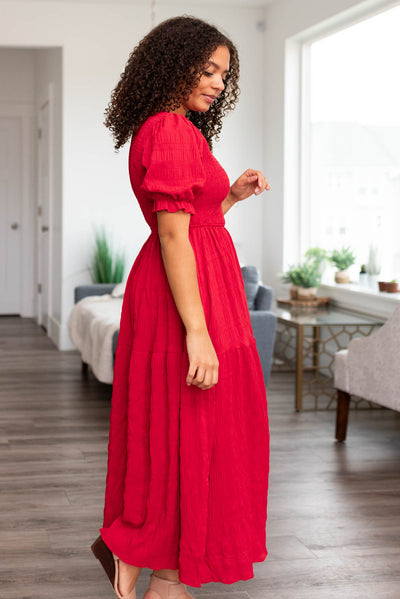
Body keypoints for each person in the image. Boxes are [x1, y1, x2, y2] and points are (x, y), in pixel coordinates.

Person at [91, 15, 271, 599]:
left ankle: (140, 552)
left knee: (185, 426)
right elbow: (173, 235)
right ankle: (161, 565)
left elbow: (197, 218)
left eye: (225, 73)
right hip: (185, 295)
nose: (219, 83)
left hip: (197, 281)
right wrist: (198, 330)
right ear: (174, 63)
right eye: (209, 68)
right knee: (192, 427)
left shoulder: (181, 130)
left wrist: (232, 195)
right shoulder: (169, 129)